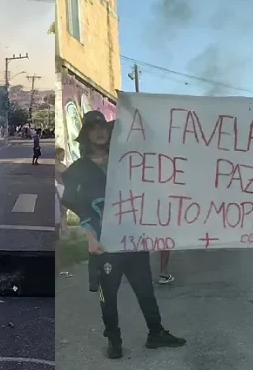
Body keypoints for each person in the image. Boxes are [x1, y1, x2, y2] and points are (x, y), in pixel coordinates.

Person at [61, 110, 186, 359]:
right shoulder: (78, 170)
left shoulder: (126, 161)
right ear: (85, 135)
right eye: (93, 128)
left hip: (133, 237)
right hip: (103, 243)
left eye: (103, 127)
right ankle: (114, 339)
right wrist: (89, 238)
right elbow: (78, 207)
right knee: (108, 295)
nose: (99, 131)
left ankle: (156, 332)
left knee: (145, 290)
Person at [55, 146, 71, 278]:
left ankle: (64, 227)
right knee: (63, 209)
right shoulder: (58, 165)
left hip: (62, 187)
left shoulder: (60, 165)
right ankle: (63, 228)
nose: (63, 155)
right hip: (60, 188)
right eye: (62, 153)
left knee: (63, 210)